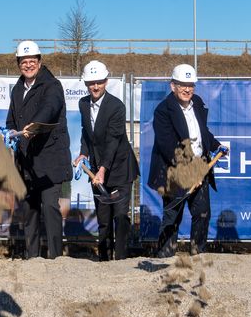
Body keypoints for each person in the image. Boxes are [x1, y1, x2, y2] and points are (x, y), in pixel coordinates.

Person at [148, 64, 225, 257]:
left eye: (190, 85)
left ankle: (197, 253)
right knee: (172, 215)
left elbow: (202, 132)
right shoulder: (163, 111)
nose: (187, 89)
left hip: (200, 166)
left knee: (202, 213)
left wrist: (216, 145)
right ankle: (165, 256)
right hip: (175, 171)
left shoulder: (197, 103)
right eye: (182, 84)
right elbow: (169, 147)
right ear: (173, 86)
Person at [5, 40, 71, 259]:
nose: (28, 65)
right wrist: (10, 132)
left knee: (50, 207)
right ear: (18, 64)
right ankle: (32, 257)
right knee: (30, 210)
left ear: (40, 62)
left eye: (32, 61)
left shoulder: (52, 86)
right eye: (24, 62)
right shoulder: (17, 89)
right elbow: (11, 119)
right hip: (26, 162)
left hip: (49, 161)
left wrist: (32, 127)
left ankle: (55, 257)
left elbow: (50, 109)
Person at [74, 60, 139, 261]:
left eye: (99, 82)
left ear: (106, 81)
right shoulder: (83, 104)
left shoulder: (116, 107)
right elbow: (87, 133)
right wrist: (83, 153)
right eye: (91, 82)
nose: (95, 86)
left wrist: (102, 169)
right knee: (103, 219)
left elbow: (113, 141)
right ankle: (104, 259)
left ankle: (120, 260)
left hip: (119, 169)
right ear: (86, 83)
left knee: (119, 218)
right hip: (97, 169)